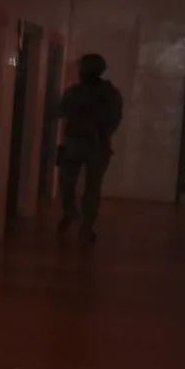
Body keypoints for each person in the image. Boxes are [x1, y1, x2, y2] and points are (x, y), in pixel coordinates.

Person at [54, 53, 124, 241]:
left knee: (86, 187)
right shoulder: (82, 91)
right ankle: (76, 218)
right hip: (84, 143)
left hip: (91, 143)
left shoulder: (103, 92)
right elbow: (61, 111)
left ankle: (84, 223)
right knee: (74, 185)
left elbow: (114, 118)